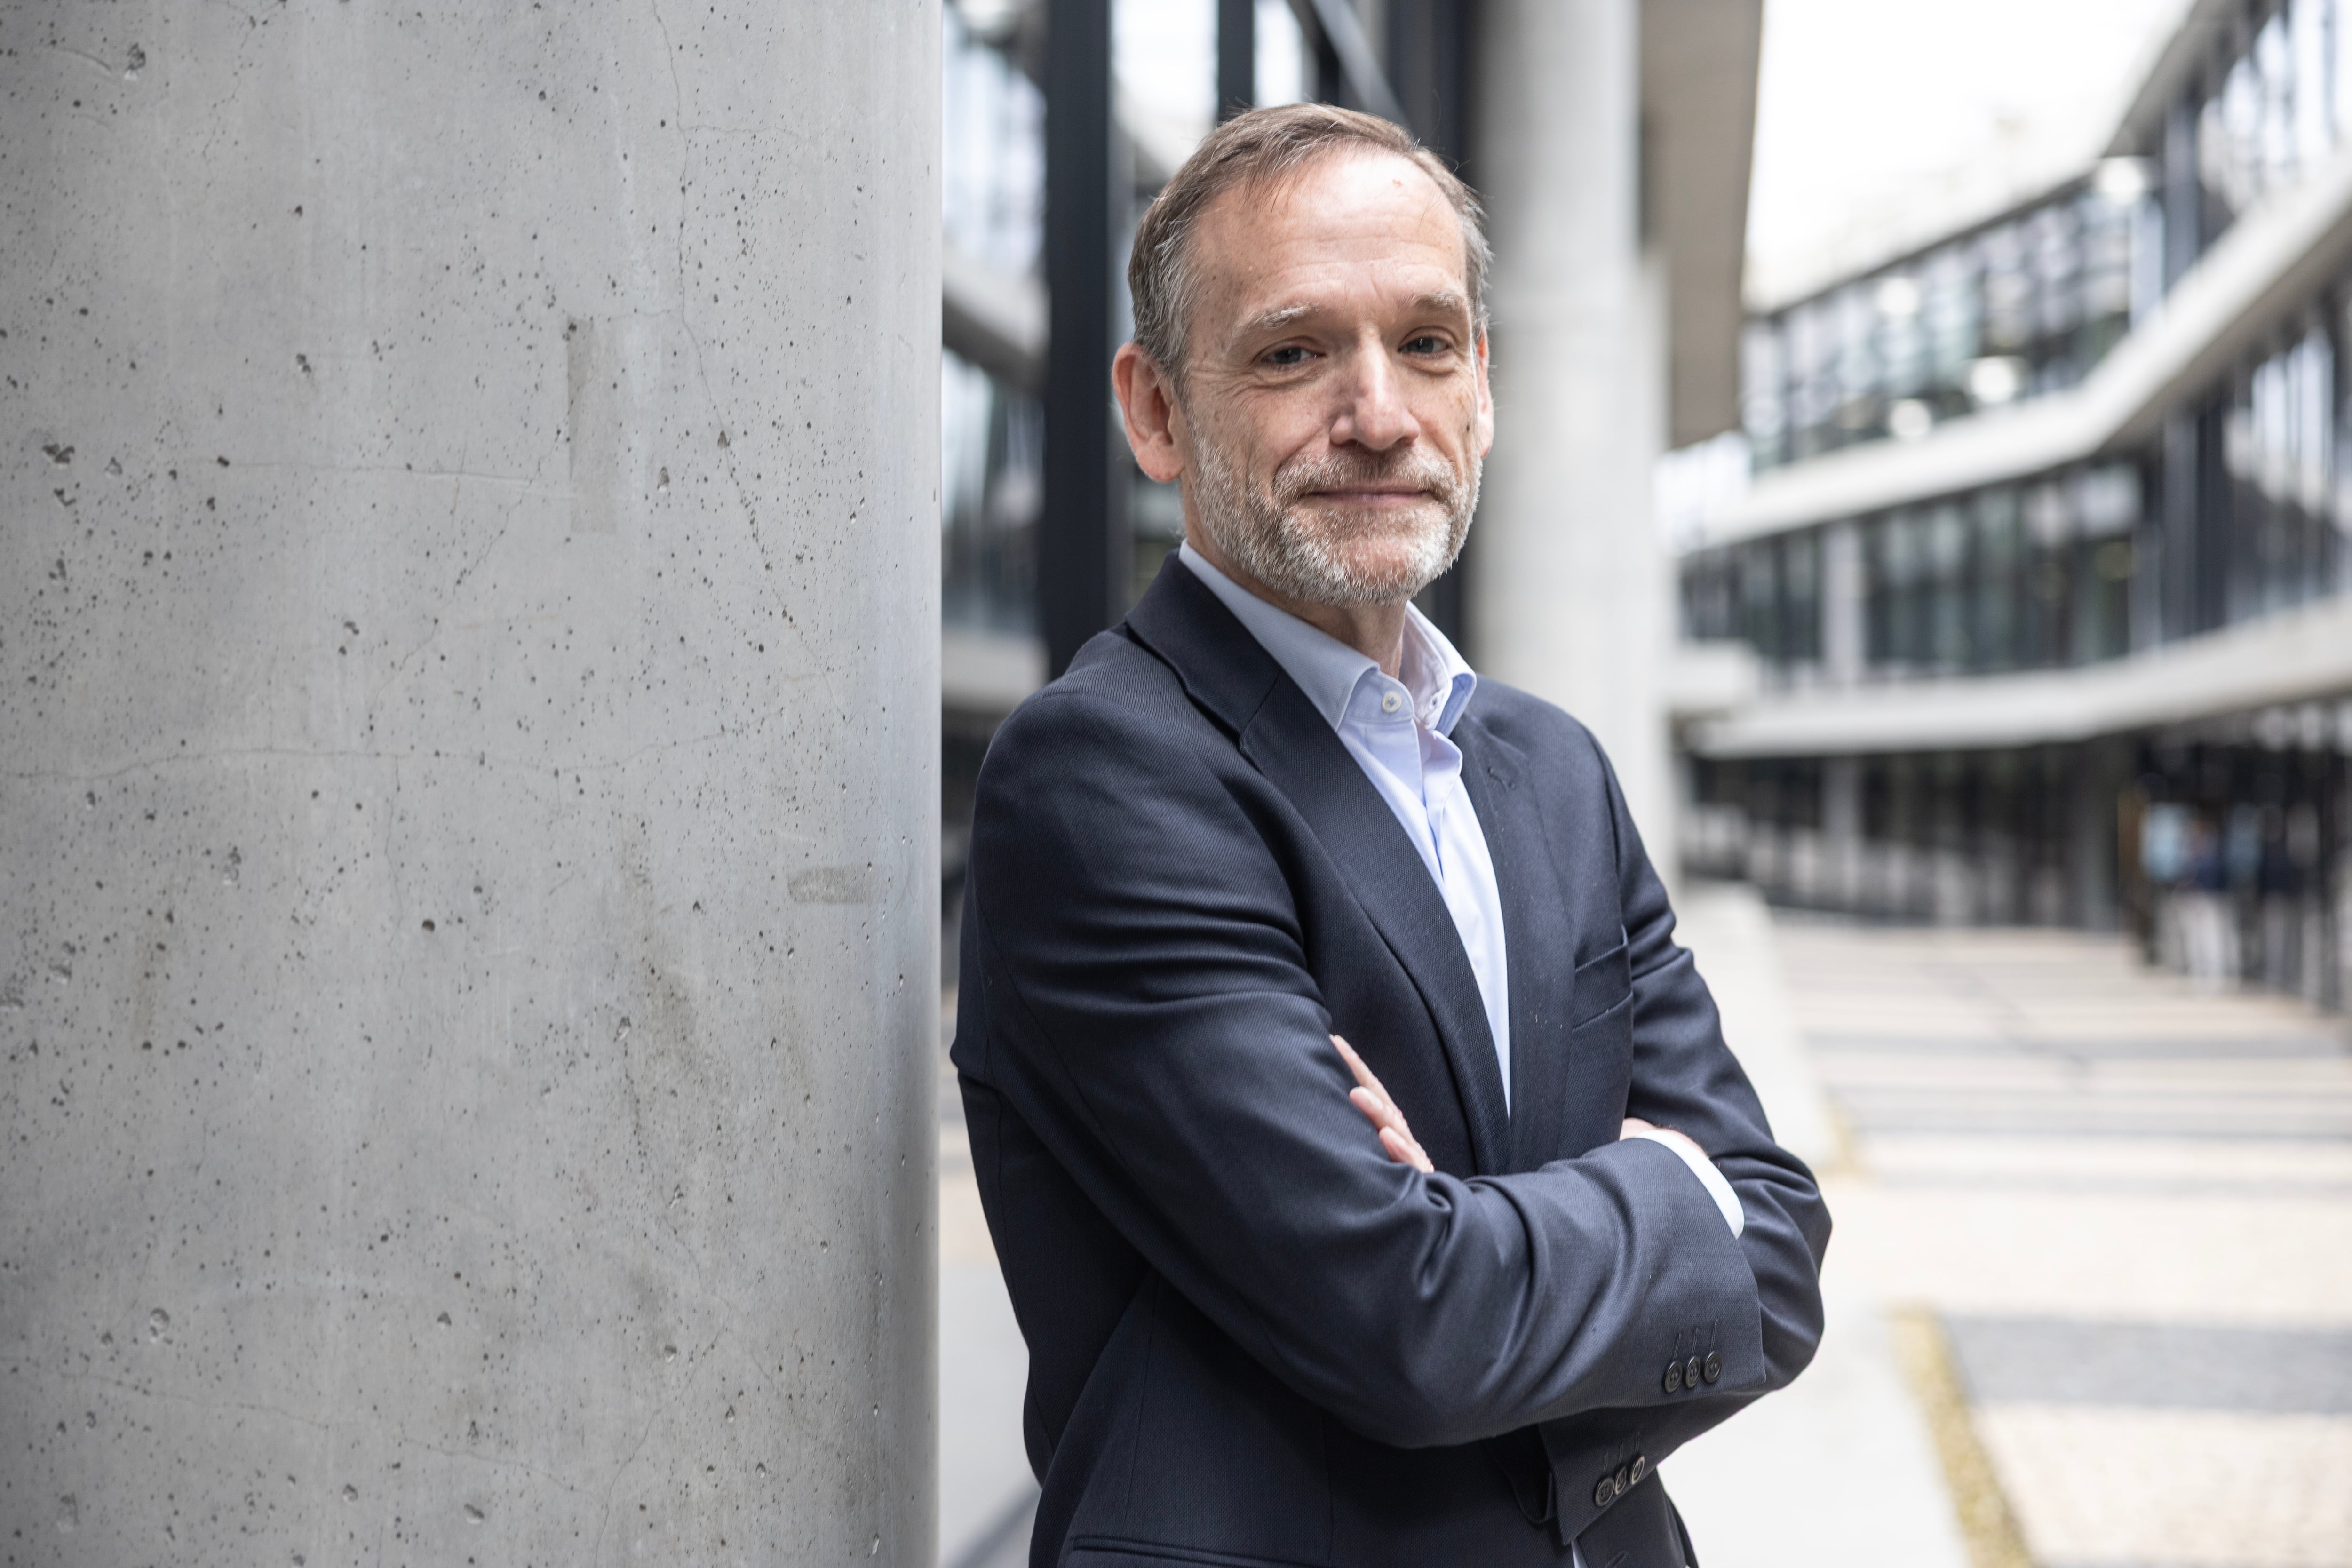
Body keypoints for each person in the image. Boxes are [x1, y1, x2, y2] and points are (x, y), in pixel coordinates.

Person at [951, 103, 1829, 1568]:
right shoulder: (1105, 780)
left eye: (1427, 343)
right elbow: (1412, 1322)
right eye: (1295, 351)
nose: (1378, 412)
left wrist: (1476, 1224)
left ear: (1483, 382)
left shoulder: (1552, 770)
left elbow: (1782, 1250)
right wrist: (1666, 1198)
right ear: (1157, 410)